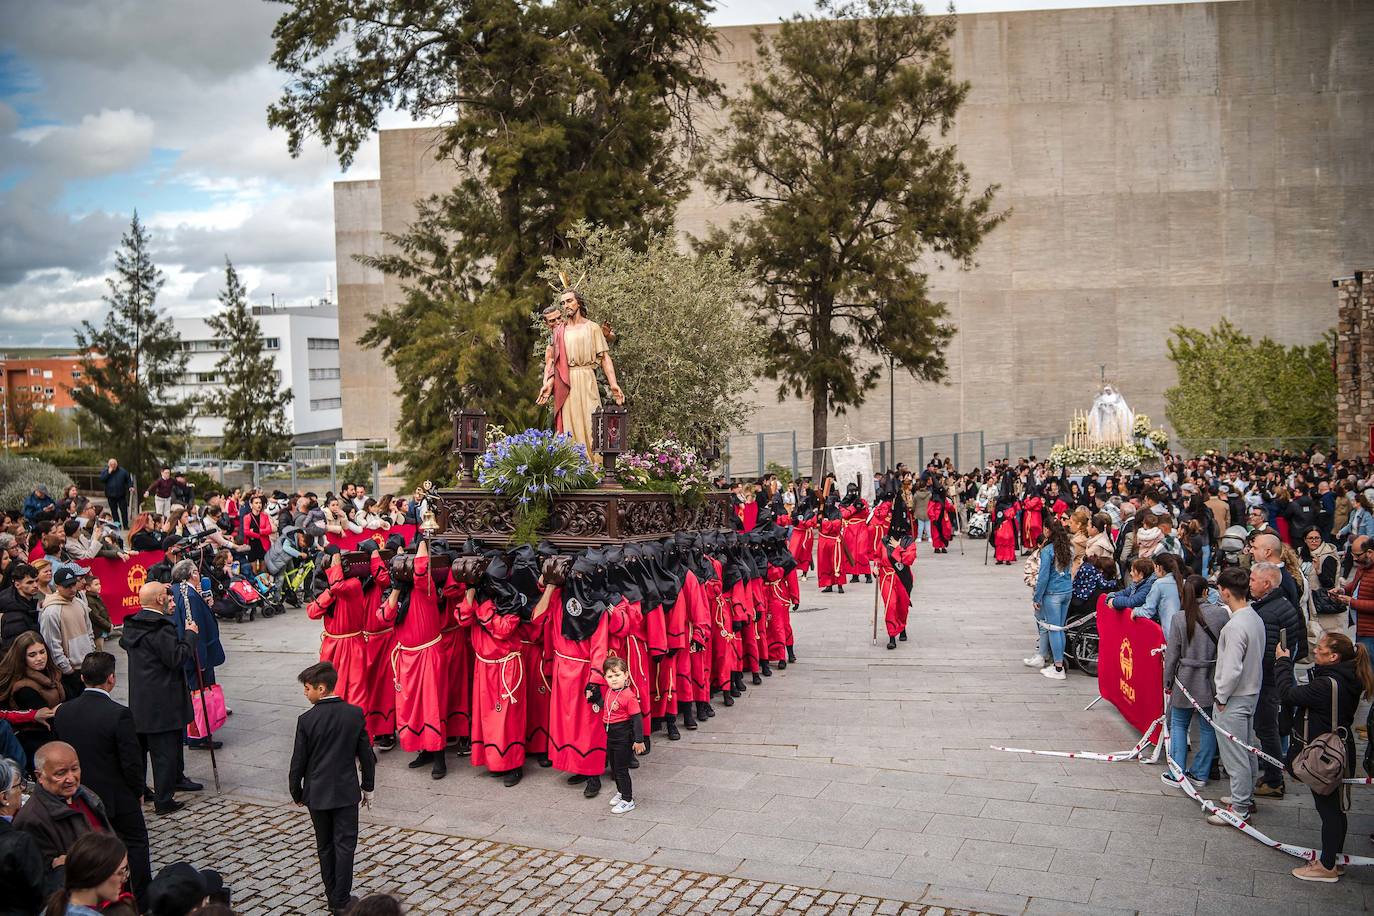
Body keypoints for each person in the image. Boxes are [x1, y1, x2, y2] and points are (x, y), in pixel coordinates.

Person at [53, 651, 151, 904]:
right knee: (136, 843)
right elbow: (131, 760)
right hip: (117, 795)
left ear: (83, 677)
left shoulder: (64, 712)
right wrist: (137, 789)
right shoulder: (118, 713)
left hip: (81, 793)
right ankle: (139, 896)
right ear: (111, 679)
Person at [1273, 630, 1370, 882]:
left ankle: (1326, 867)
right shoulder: (1348, 676)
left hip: (1324, 755)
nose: (1315, 651)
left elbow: (1288, 694)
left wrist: (1282, 662)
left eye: (1322, 650)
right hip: (1340, 748)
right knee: (1336, 808)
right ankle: (1333, 859)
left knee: (1328, 810)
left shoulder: (1325, 685)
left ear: (1334, 657)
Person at [290, 661, 376, 916]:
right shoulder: (354, 713)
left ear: (321, 688)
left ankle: (333, 895)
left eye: (307, 689)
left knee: (324, 845)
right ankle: (341, 898)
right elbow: (366, 756)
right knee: (345, 845)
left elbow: (298, 762)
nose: (305, 693)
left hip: (316, 793)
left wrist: (296, 791)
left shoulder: (306, 720)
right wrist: (368, 787)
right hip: (346, 792)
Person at [119, 583, 201, 815]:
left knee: (143, 750)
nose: (169, 599)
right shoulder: (159, 627)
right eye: (167, 596)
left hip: (142, 698)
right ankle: (164, 800)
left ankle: (142, 790)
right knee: (163, 752)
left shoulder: (133, 625)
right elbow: (176, 658)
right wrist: (190, 635)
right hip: (163, 699)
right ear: (158, 600)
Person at [535, 286, 624, 456]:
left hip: (588, 378)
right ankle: (574, 469)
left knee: (593, 422)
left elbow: (604, 358)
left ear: (578, 302)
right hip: (567, 382)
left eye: (569, 301)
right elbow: (555, 363)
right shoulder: (560, 332)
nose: (566, 305)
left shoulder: (592, 328)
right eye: (563, 303)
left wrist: (614, 384)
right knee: (570, 425)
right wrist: (548, 384)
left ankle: (596, 467)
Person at [1208, 567, 1266, 825]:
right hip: (1251, 691)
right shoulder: (1254, 617)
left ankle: (1240, 808)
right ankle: (1245, 796)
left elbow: (1231, 669)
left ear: (1226, 592)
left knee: (1235, 754)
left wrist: (1221, 697)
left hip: (1235, 696)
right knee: (1246, 747)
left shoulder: (1234, 626)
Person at [1161, 576, 1229, 790]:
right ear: (1206, 592)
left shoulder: (1179, 618)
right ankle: (1201, 772)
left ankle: (1177, 770)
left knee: (1179, 724)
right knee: (1208, 726)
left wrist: (1168, 680)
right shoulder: (1221, 614)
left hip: (1185, 676)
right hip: (1211, 676)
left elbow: (1172, 654)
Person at [14, 741, 114, 886]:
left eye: (75, 769)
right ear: (39, 776)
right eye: (61, 773)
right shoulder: (31, 820)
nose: (71, 778)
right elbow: (44, 882)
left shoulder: (85, 795)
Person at [1249, 561, 1307, 800]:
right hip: (1273, 679)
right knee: (1266, 728)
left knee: (1266, 728)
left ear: (1267, 583)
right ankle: (1272, 771)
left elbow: (1266, 654)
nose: (1249, 583)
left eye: (1253, 579)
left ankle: (1274, 779)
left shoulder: (1270, 613)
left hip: (1268, 681)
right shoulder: (1276, 605)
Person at [0, 631, 63, 770]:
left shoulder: (53, 673)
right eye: (32, 655)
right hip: (36, 741)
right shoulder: (23, 688)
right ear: (22, 658)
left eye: (42, 652)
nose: (40, 658)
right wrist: (32, 715)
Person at [1026, 518, 1073, 680]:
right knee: (1060, 628)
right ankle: (1057, 664)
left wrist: (1037, 597)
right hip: (1067, 590)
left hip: (1052, 593)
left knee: (1053, 629)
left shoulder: (1047, 551)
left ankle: (1058, 667)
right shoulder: (1068, 548)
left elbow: (1043, 577)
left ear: (1047, 531)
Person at [0, 754, 47, 915]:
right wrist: (60, 869)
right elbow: (40, 897)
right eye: (18, 785)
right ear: (4, 797)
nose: (22, 789)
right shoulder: (19, 842)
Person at [40, 568, 96, 699]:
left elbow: (89, 631)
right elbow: (52, 645)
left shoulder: (80, 603)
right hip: (70, 673)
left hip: (87, 666)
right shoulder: (51, 612)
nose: (72, 589)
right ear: (57, 586)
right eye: (67, 586)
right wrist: (67, 669)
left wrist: (91, 654)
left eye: (73, 584)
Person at [602, 656, 645, 815]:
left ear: (626, 675)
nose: (614, 679)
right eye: (610, 676)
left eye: (617, 675)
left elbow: (637, 719)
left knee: (621, 769)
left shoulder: (629, 695)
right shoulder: (609, 691)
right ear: (605, 678)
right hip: (611, 736)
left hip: (623, 737)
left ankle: (628, 800)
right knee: (614, 767)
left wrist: (639, 740)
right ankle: (621, 792)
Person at [1337, 535, 1374, 658]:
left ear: (1369, 552)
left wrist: (1352, 602)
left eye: (1357, 555)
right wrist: (1343, 590)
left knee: (1368, 669)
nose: (1354, 558)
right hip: (1361, 628)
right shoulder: (1364, 566)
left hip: (1371, 633)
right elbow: (1357, 584)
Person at [0, 563, 42, 655]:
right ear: (17, 585)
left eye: (36, 581)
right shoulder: (13, 615)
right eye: (30, 582)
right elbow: (14, 649)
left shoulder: (28, 602)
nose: (35, 585)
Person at [99, 460, 134, 530]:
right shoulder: (105, 471)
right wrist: (108, 473)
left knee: (124, 511)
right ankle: (117, 525)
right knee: (114, 512)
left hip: (121, 495)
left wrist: (130, 486)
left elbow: (128, 479)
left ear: (116, 464)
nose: (112, 466)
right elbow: (102, 479)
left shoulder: (122, 471)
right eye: (111, 464)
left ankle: (125, 525)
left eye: (114, 464)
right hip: (110, 495)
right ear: (109, 465)